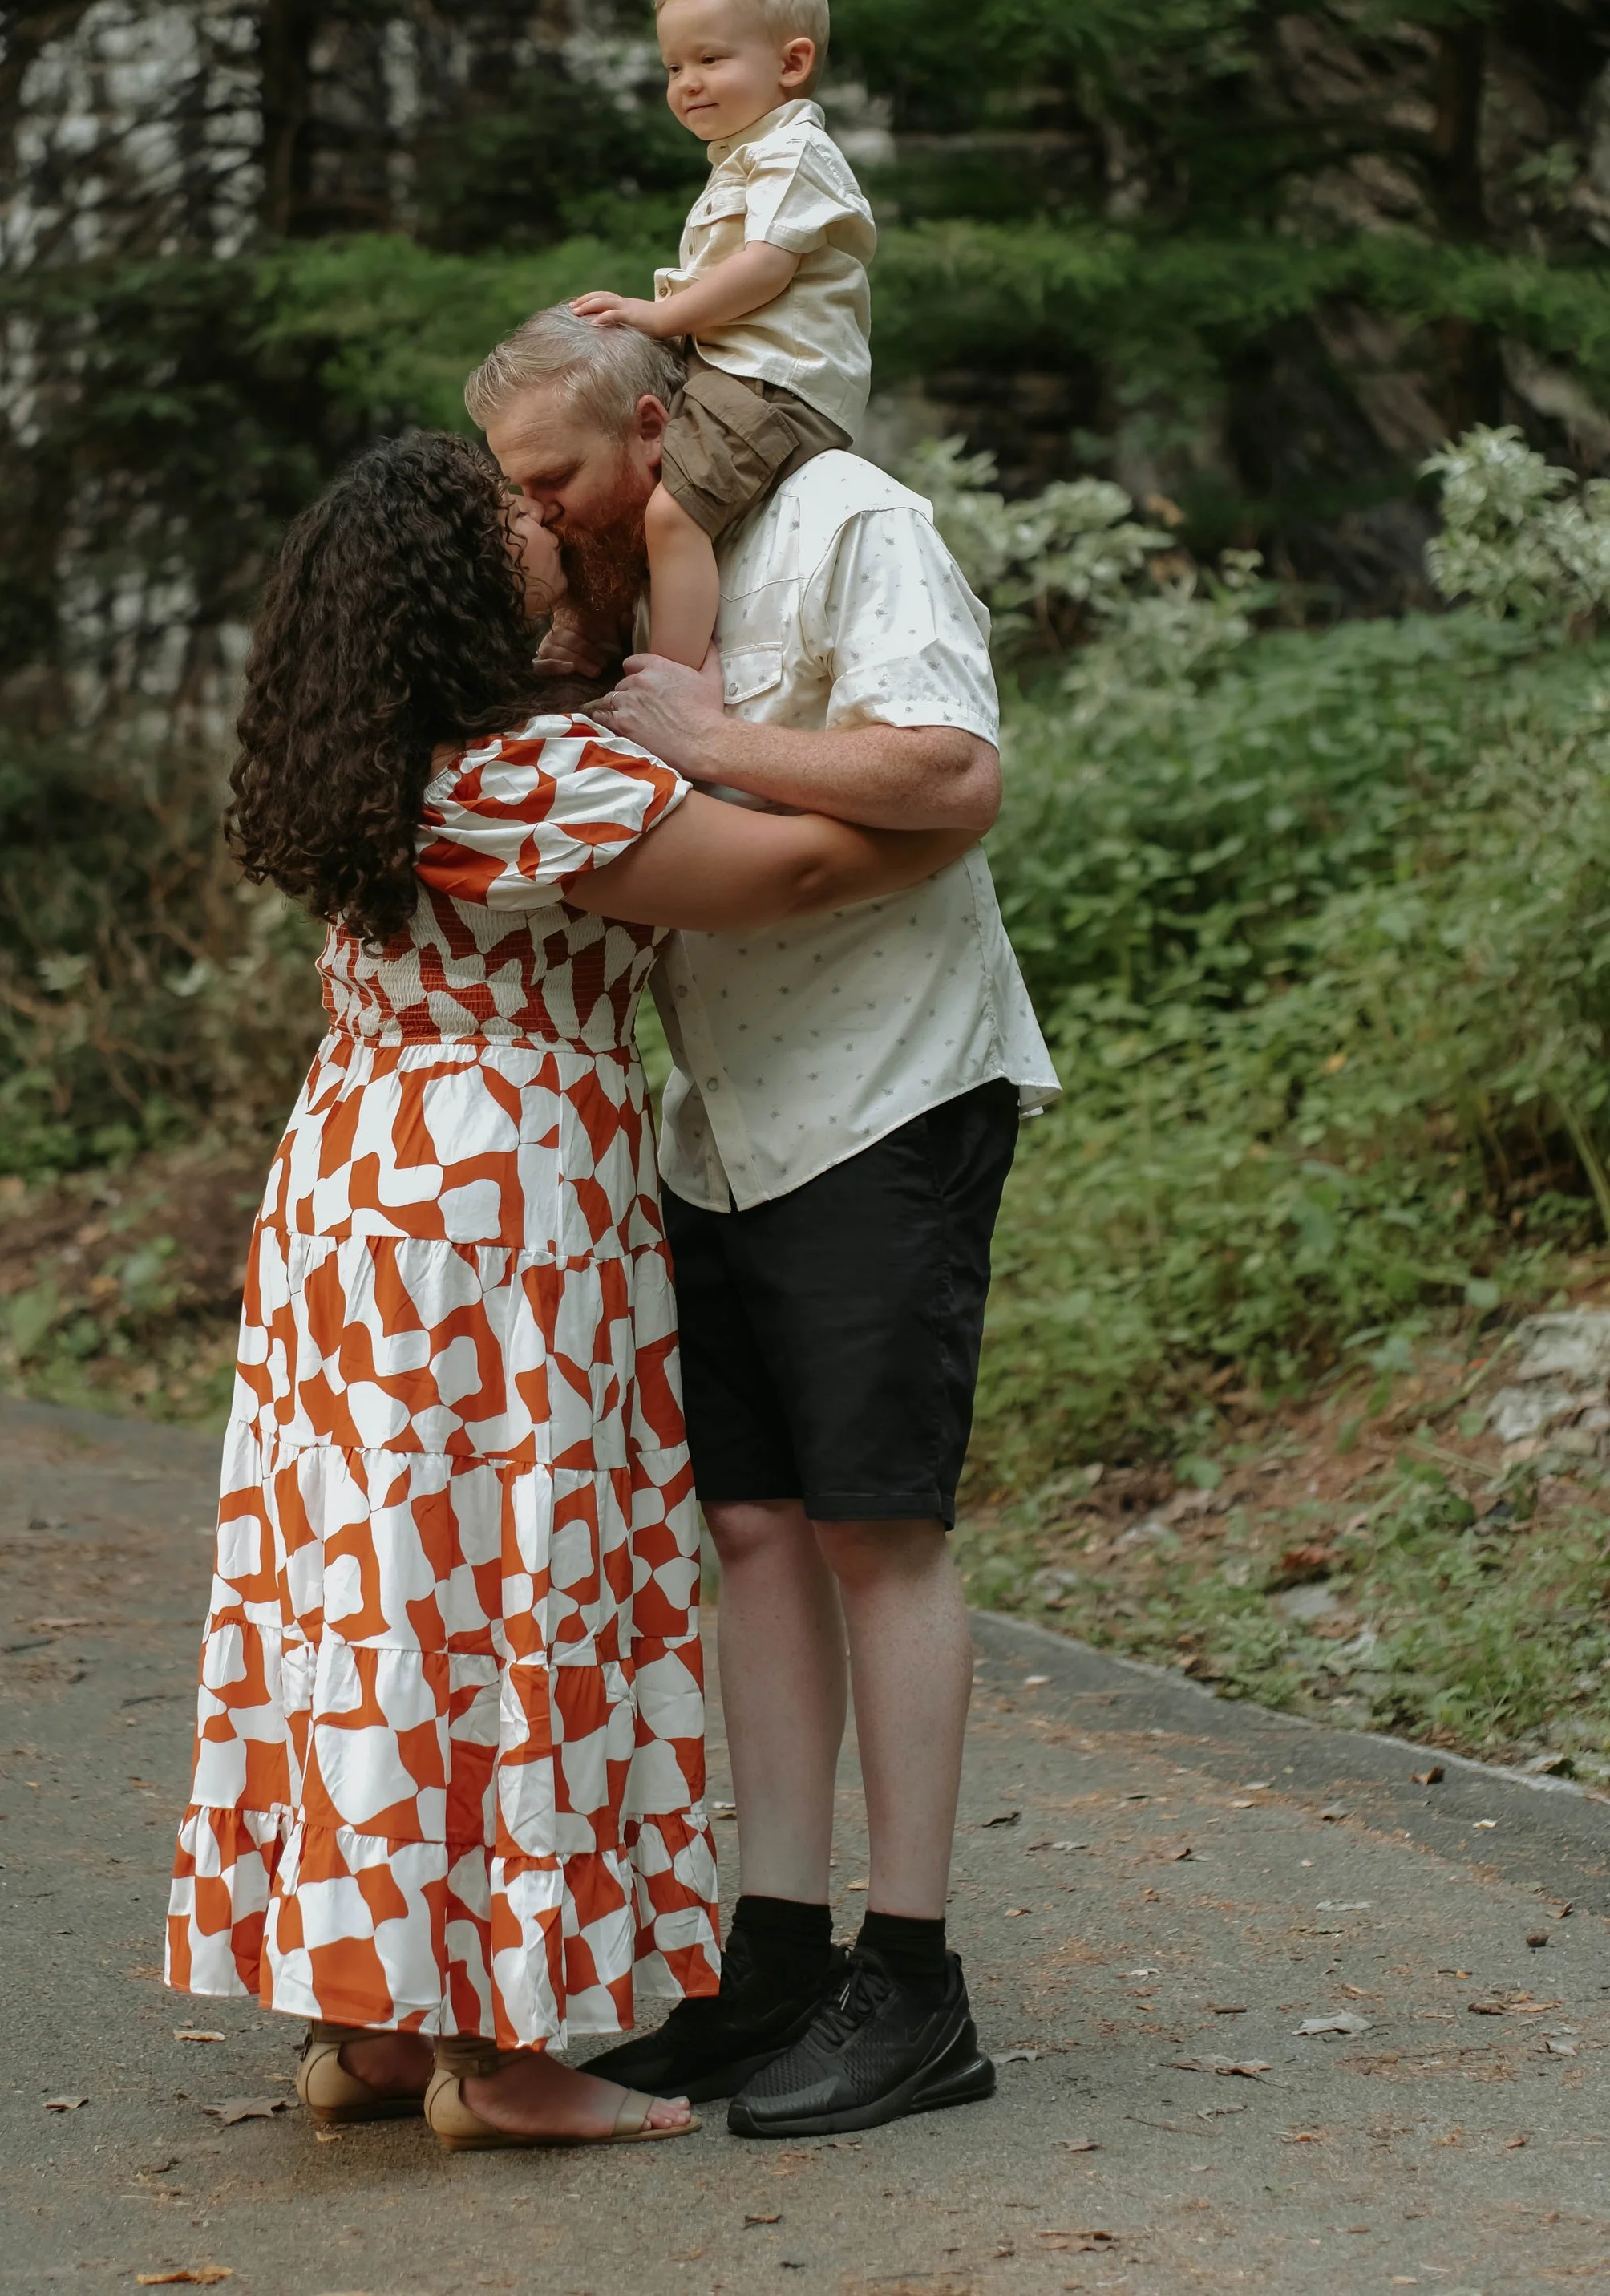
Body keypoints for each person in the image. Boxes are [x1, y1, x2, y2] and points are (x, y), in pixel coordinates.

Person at [164, 430, 973, 2152]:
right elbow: (805, 871)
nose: (541, 526)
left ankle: (378, 2022)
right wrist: (941, 812)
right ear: (460, 587)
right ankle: (515, 2060)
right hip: (494, 1194)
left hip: (357, 1180)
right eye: (507, 520)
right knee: (503, 1590)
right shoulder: (526, 778)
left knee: (378, 1593)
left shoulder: (378, 751)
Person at [467, 310, 1060, 2142]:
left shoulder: (849, 521)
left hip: (883, 1087)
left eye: (549, 475)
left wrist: (722, 735)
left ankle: (917, 1977)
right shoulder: (631, 592)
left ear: (647, 427)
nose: (529, 508)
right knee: (753, 1521)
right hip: (721, 1117)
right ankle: (781, 1949)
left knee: (880, 1527)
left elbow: (954, 777)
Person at [567, 0, 873, 673]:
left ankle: (672, 681)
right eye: (674, 67)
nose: (687, 83)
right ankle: (589, 636)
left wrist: (661, 316)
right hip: (736, 372)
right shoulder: (746, 154)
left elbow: (766, 267)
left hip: (780, 380)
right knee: (609, 468)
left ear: (791, 65)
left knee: (674, 511)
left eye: (711, 60)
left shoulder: (795, 151)